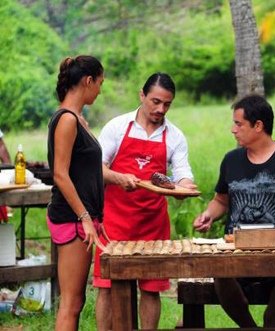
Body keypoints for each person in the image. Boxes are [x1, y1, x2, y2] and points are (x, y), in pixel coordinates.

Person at [193, 94, 275, 327]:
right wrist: (208, 215)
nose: (233, 130)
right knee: (220, 273)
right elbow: (221, 201)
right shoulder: (231, 160)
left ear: (258, 126)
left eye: (238, 124)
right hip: (235, 252)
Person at [93, 72, 196, 330]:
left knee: (151, 290)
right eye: (155, 102)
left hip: (153, 226)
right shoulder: (117, 127)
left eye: (167, 104)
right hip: (113, 223)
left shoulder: (175, 136)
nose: (161, 109)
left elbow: (183, 177)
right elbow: (95, 169)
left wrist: (184, 189)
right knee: (106, 288)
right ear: (142, 95)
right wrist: (118, 178)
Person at [46, 55, 105, 331]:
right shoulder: (67, 119)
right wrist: (83, 217)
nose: (101, 90)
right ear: (88, 80)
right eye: (100, 83)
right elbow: (60, 173)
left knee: (76, 301)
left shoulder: (78, 119)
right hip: (71, 218)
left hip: (81, 217)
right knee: (70, 303)